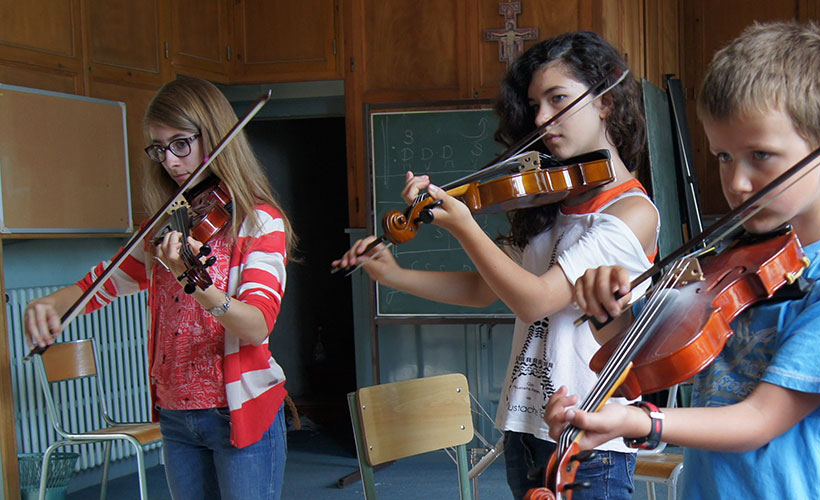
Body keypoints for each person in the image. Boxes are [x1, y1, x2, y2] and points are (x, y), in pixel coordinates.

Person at [545, 21, 820, 500]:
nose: (736, 183)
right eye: (723, 156)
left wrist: (639, 421)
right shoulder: (733, 265)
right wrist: (606, 307)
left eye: (761, 155)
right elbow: (632, 362)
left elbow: (759, 420)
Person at [333, 31, 659, 500]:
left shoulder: (631, 212)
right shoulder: (552, 200)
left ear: (605, 102)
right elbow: (484, 289)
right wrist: (394, 275)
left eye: (558, 99)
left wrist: (466, 226)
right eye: (535, 105)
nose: (543, 119)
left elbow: (536, 299)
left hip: (592, 436)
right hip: (525, 423)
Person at [23, 77, 295, 500]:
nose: (169, 161)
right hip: (175, 414)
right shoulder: (170, 225)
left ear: (215, 136)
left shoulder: (258, 222)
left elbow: (257, 325)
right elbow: (107, 280)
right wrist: (53, 303)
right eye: (158, 147)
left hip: (235, 411)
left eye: (181, 144)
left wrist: (196, 282)